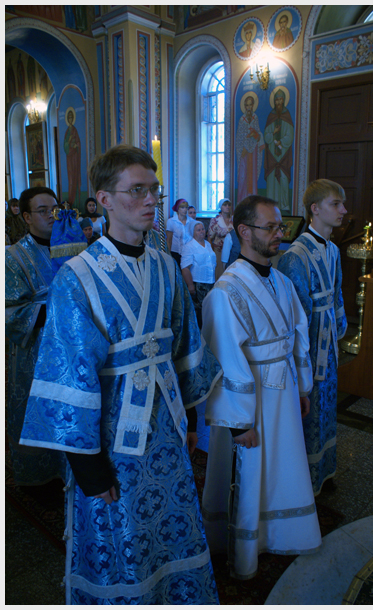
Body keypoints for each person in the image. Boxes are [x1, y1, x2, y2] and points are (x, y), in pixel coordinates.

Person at [20, 144, 222, 605]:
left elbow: (184, 346)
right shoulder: (77, 277)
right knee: (121, 531)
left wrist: (191, 420)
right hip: (112, 440)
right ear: (104, 200)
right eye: (137, 190)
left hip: (167, 427)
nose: (151, 200)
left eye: (154, 190)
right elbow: (69, 376)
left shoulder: (166, 266)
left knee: (171, 525)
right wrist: (89, 469)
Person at [201, 194, 322, 580]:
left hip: (283, 392)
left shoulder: (282, 281)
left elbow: (298, 336)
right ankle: (244, 550)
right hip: (249, 404)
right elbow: (224, 360)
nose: (279, 234)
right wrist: (239, 424)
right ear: (243, 231)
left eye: (280, 227)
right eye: (270, 227)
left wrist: (302, 388)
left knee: (281, 465)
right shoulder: (226, 291)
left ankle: (277, 534)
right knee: (250, 471)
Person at [277, 179, 348, 495]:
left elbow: (337, 293)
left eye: (342, 204)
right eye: (336, 204)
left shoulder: (333, 250)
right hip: (308, 351)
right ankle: (304, 480)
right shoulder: (296, 255)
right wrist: (300, 358)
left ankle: (324, 470)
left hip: (328, 344)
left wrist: (338, 331)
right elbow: (295, 315)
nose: (343, 210)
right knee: (309, 409)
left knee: (327, 407)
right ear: (315, 209)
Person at [5, 186, 64, 490]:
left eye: (55, 209)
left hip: (71, 350)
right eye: (43, 211)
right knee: (37, 410)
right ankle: (39, 475)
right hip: (35, 352)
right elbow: (9, 312)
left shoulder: (73, 249)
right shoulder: (12, 257)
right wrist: (60, 308)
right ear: (26, 217)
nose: (52, 216)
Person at [181, 221, 216, 328]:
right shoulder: (189, 247)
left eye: (203, 229)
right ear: (193, 232)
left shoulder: (208, 244)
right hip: (198, 284)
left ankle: (208, 331)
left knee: (209, 309)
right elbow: (185, 268)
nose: (202, 232)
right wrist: (190, 285)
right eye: (198, 230)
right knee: (200, 311)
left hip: (210, 282)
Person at [264, 88, 294, 212]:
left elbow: (290, 136)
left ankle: (284, 205)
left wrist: (281, 141)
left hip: (283, 155)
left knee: (283, 179)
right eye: (277, 100)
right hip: (272, 154)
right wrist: (273, 133)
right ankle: (271, 206)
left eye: (281, 99)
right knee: (272, 180)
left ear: (284, 100)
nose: (278, 102)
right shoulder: (271, 116)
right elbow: (266, 136)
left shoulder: (287, 116)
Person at [236, 95, 264, 203]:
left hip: (253, 153)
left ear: (253, 106)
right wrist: (243, 147)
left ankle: (252, 199)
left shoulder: (255, 118)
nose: (249, 107)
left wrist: (256, 135)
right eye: (247, 105)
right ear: (244, 106)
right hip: (244, 152)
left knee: (252, 174)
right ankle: (243, 199)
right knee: (243, 175)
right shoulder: (242, 120)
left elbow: (258, 132)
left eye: (250, 105)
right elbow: (239, 136)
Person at [207, 198, 233, 279]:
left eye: (229, 205)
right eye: (225, 205)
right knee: (220, 273)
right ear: (221, 207)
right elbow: (210, 238)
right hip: (219, 251)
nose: (227, 207)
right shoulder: (215, 220)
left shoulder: (233, 219)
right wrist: (211, 253)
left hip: (232, 251)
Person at [166, 198, 196, 266]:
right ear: (178, 209)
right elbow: (169, 240)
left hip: (189, 252)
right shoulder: (171, 221)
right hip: (175, 252)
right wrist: (168, 254)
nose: (185, 210)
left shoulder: (192, 221)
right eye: (182, 208)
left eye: (186, 208)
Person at [64, 109, 81, 207]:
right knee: (70, 178)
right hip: (69, 158)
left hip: (75, 157)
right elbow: (65, 145)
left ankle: (75, 198)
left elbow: (78, 142)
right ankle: (70, 199)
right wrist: (69, 142)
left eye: (71, 118)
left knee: (74, 177)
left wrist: (76, 145)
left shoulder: (74, 130)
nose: (70, 119)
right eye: (69, 118)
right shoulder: (67, 131)